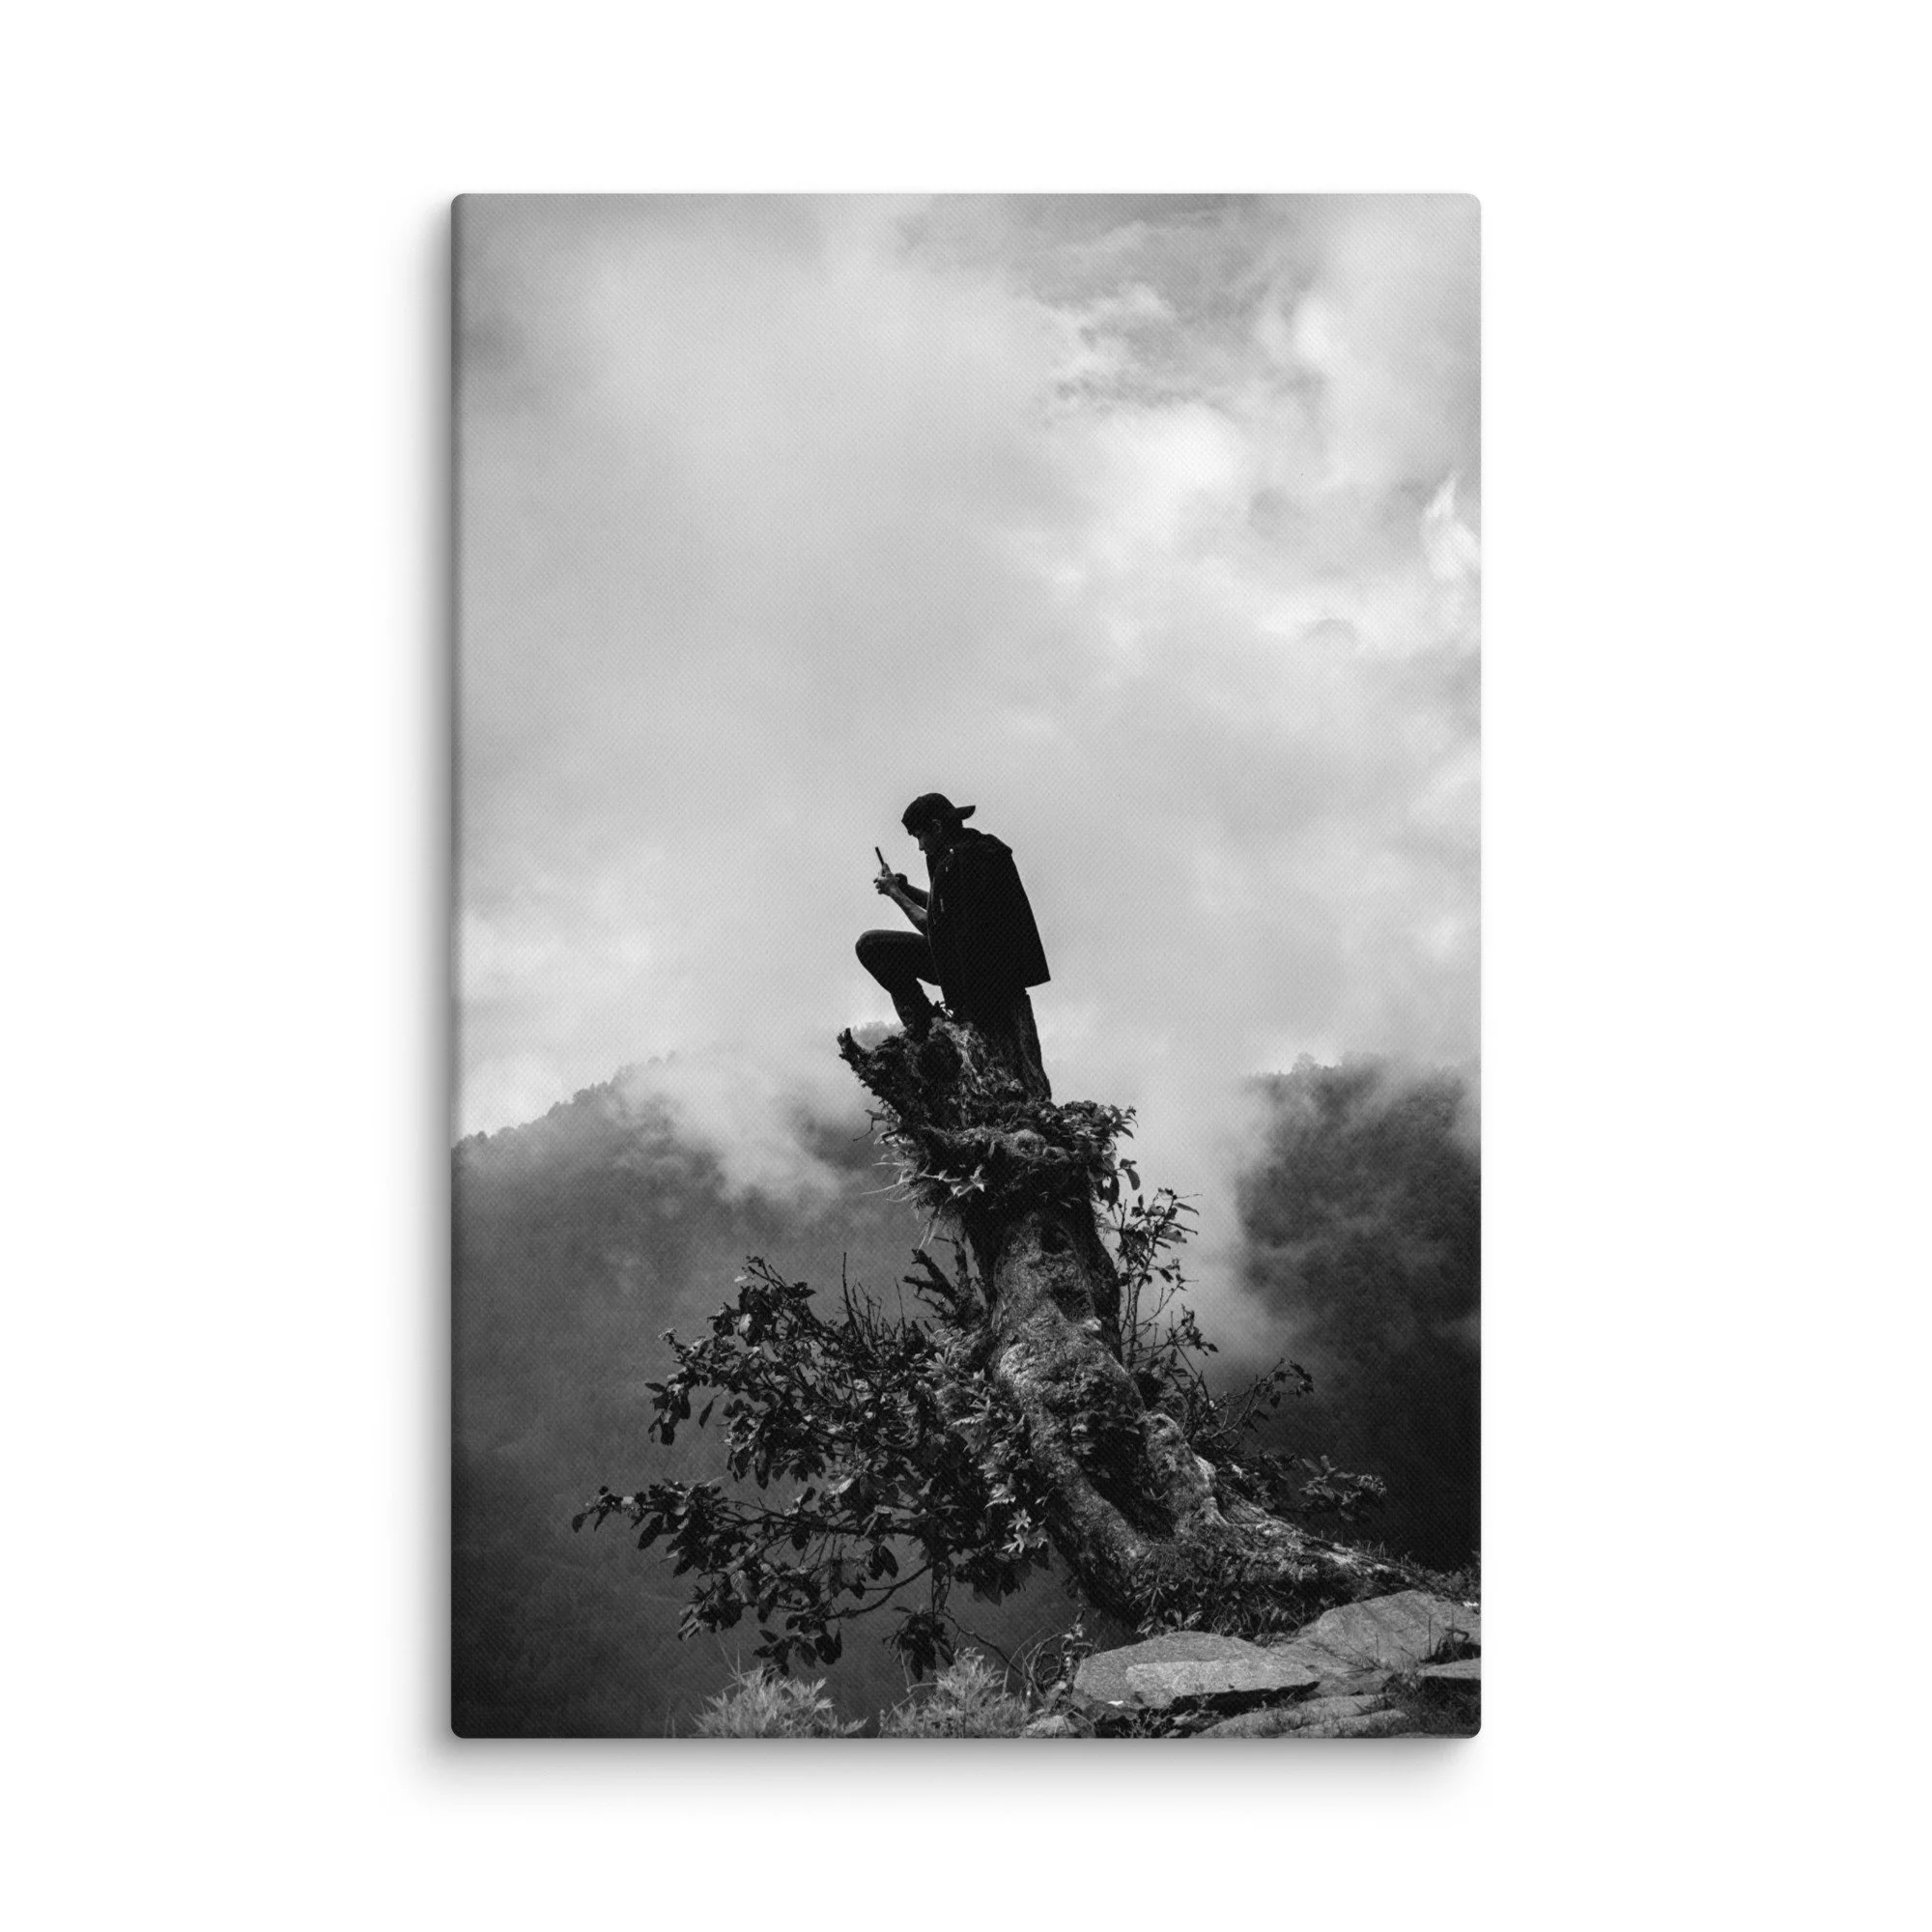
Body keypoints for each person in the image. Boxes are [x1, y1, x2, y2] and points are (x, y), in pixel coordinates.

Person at [858, 793, 1052, 1096]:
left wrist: (896, 894)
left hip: (971, 977)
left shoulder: (957, 861)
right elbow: (946, 909)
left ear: (936, 827)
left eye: (920, 836)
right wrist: (905, 887)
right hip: (990, 972)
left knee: (871, 947)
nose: (920, 846)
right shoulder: (977, 850)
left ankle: (926, 1024)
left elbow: (934, 928)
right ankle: (930, 1025)